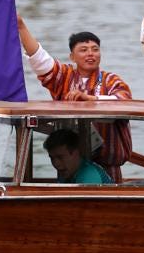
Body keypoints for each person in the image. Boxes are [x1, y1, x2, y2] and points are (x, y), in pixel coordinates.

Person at [17, 14, 132, 181]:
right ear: (72, 56)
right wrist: (21, 27)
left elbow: (125, 102)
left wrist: (90, 99)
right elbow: (39, 60)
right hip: (68, 165)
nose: (90, 54)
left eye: (95, 49)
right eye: (84, 50)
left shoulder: (111, 80)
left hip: (107, 168)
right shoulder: (64, 76)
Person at [43, 129, 111, 184]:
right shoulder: (66, 173)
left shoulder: (88, 175)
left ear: (75, 153)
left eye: (60, 157)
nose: (55, 163)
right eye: (52, 158)